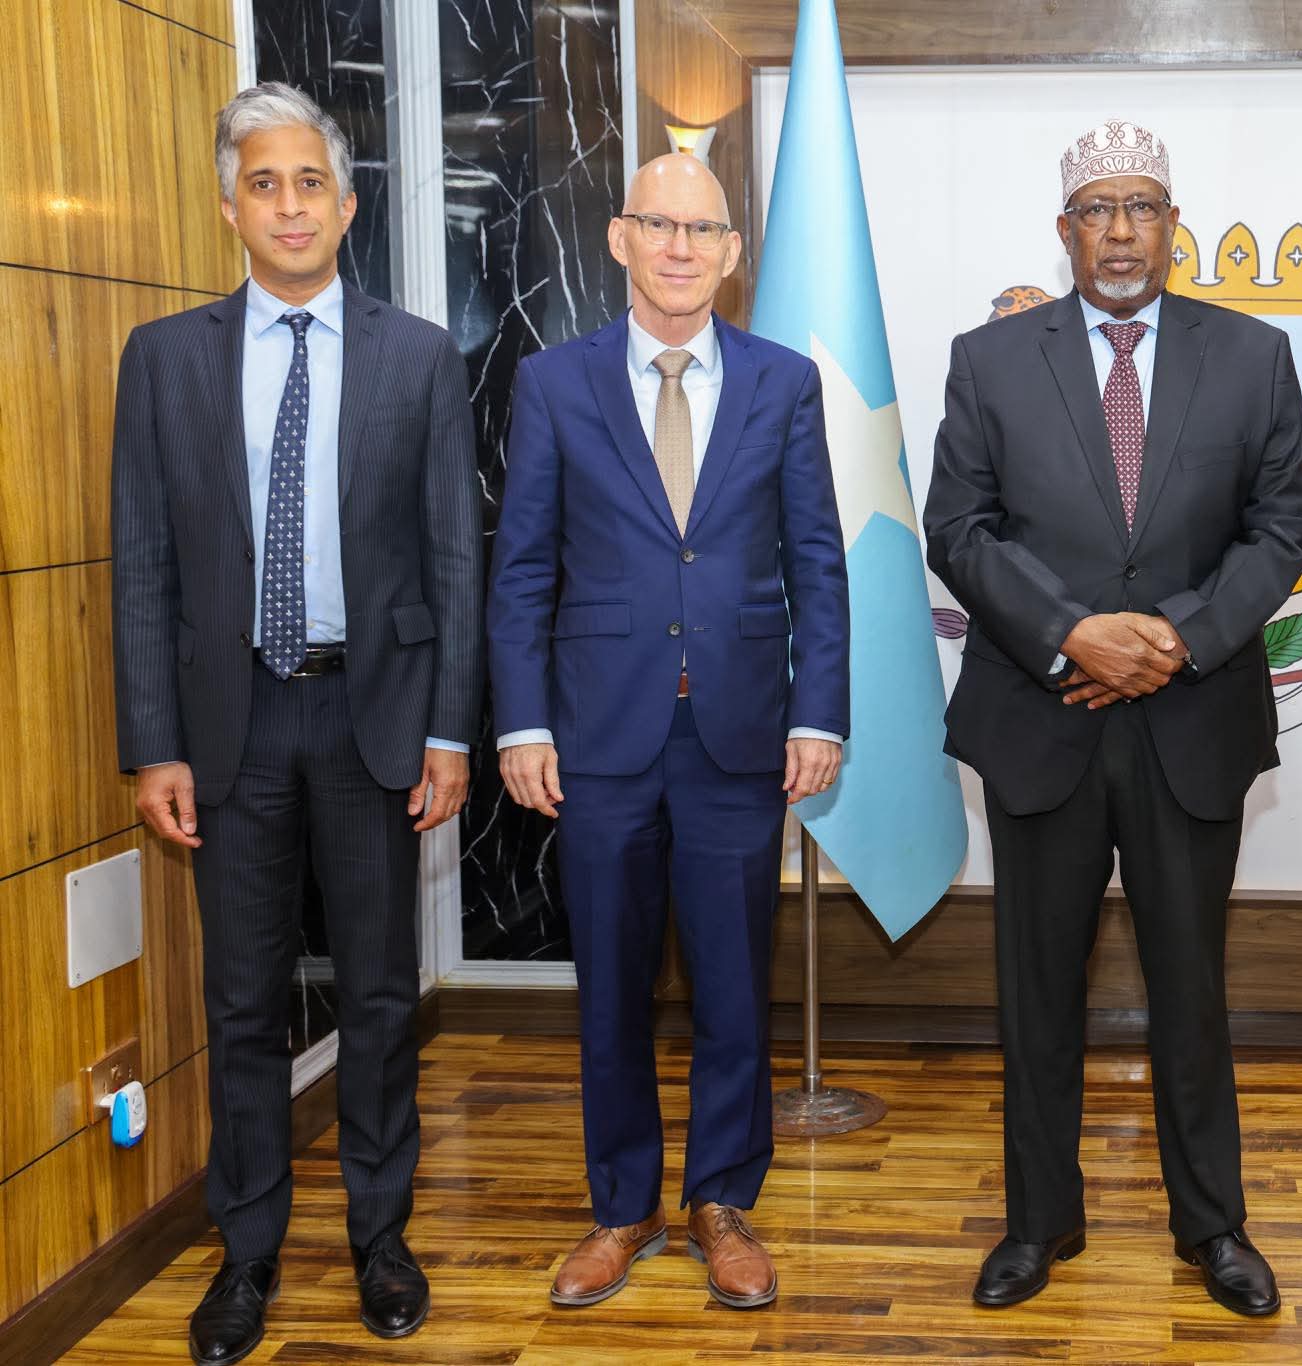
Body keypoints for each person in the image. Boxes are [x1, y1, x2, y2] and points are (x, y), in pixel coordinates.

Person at [111, 82, 482, 1363]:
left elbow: (455, 557)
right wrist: (153, 741)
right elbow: (142, 562)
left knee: (377, 995)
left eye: (308, 182)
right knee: (242, 1002)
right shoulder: (164, 360)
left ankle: (382, 1238)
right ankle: (247, 1252)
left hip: (374, 719)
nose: (288, 205)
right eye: (262, 184)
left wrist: (450, 731)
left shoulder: (417, 357)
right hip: (230, 728)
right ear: (228, 207)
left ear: (347, 203)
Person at [924, 119, 1302, 1317]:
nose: (1120, 232)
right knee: (1035, 990)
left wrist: (1174, 640)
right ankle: (1037, 1222)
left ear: (1171, 224)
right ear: (1065, 230)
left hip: (1188, 721)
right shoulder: (990, 359)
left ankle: (1213, 1226)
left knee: (1189, 988)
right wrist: (1072, 634)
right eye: (1097, 209)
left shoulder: (1252, 354)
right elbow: (958, 528)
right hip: (1039, 720)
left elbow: (1281, 527)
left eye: (1141, 206)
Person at [488, 153, 850, 1312]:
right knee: (611, 985)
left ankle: (721, 1201)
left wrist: (818, 707)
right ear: (620, 238)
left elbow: (817, 560)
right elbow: (523, 568)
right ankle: (621, 1206)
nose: (680, 247)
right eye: (659, 224)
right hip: (596, 735)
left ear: (732, 253)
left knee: (733, 983)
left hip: (740, 733)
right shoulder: (553, 382)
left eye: (702, 230)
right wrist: (521, 720)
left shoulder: (783, 382)